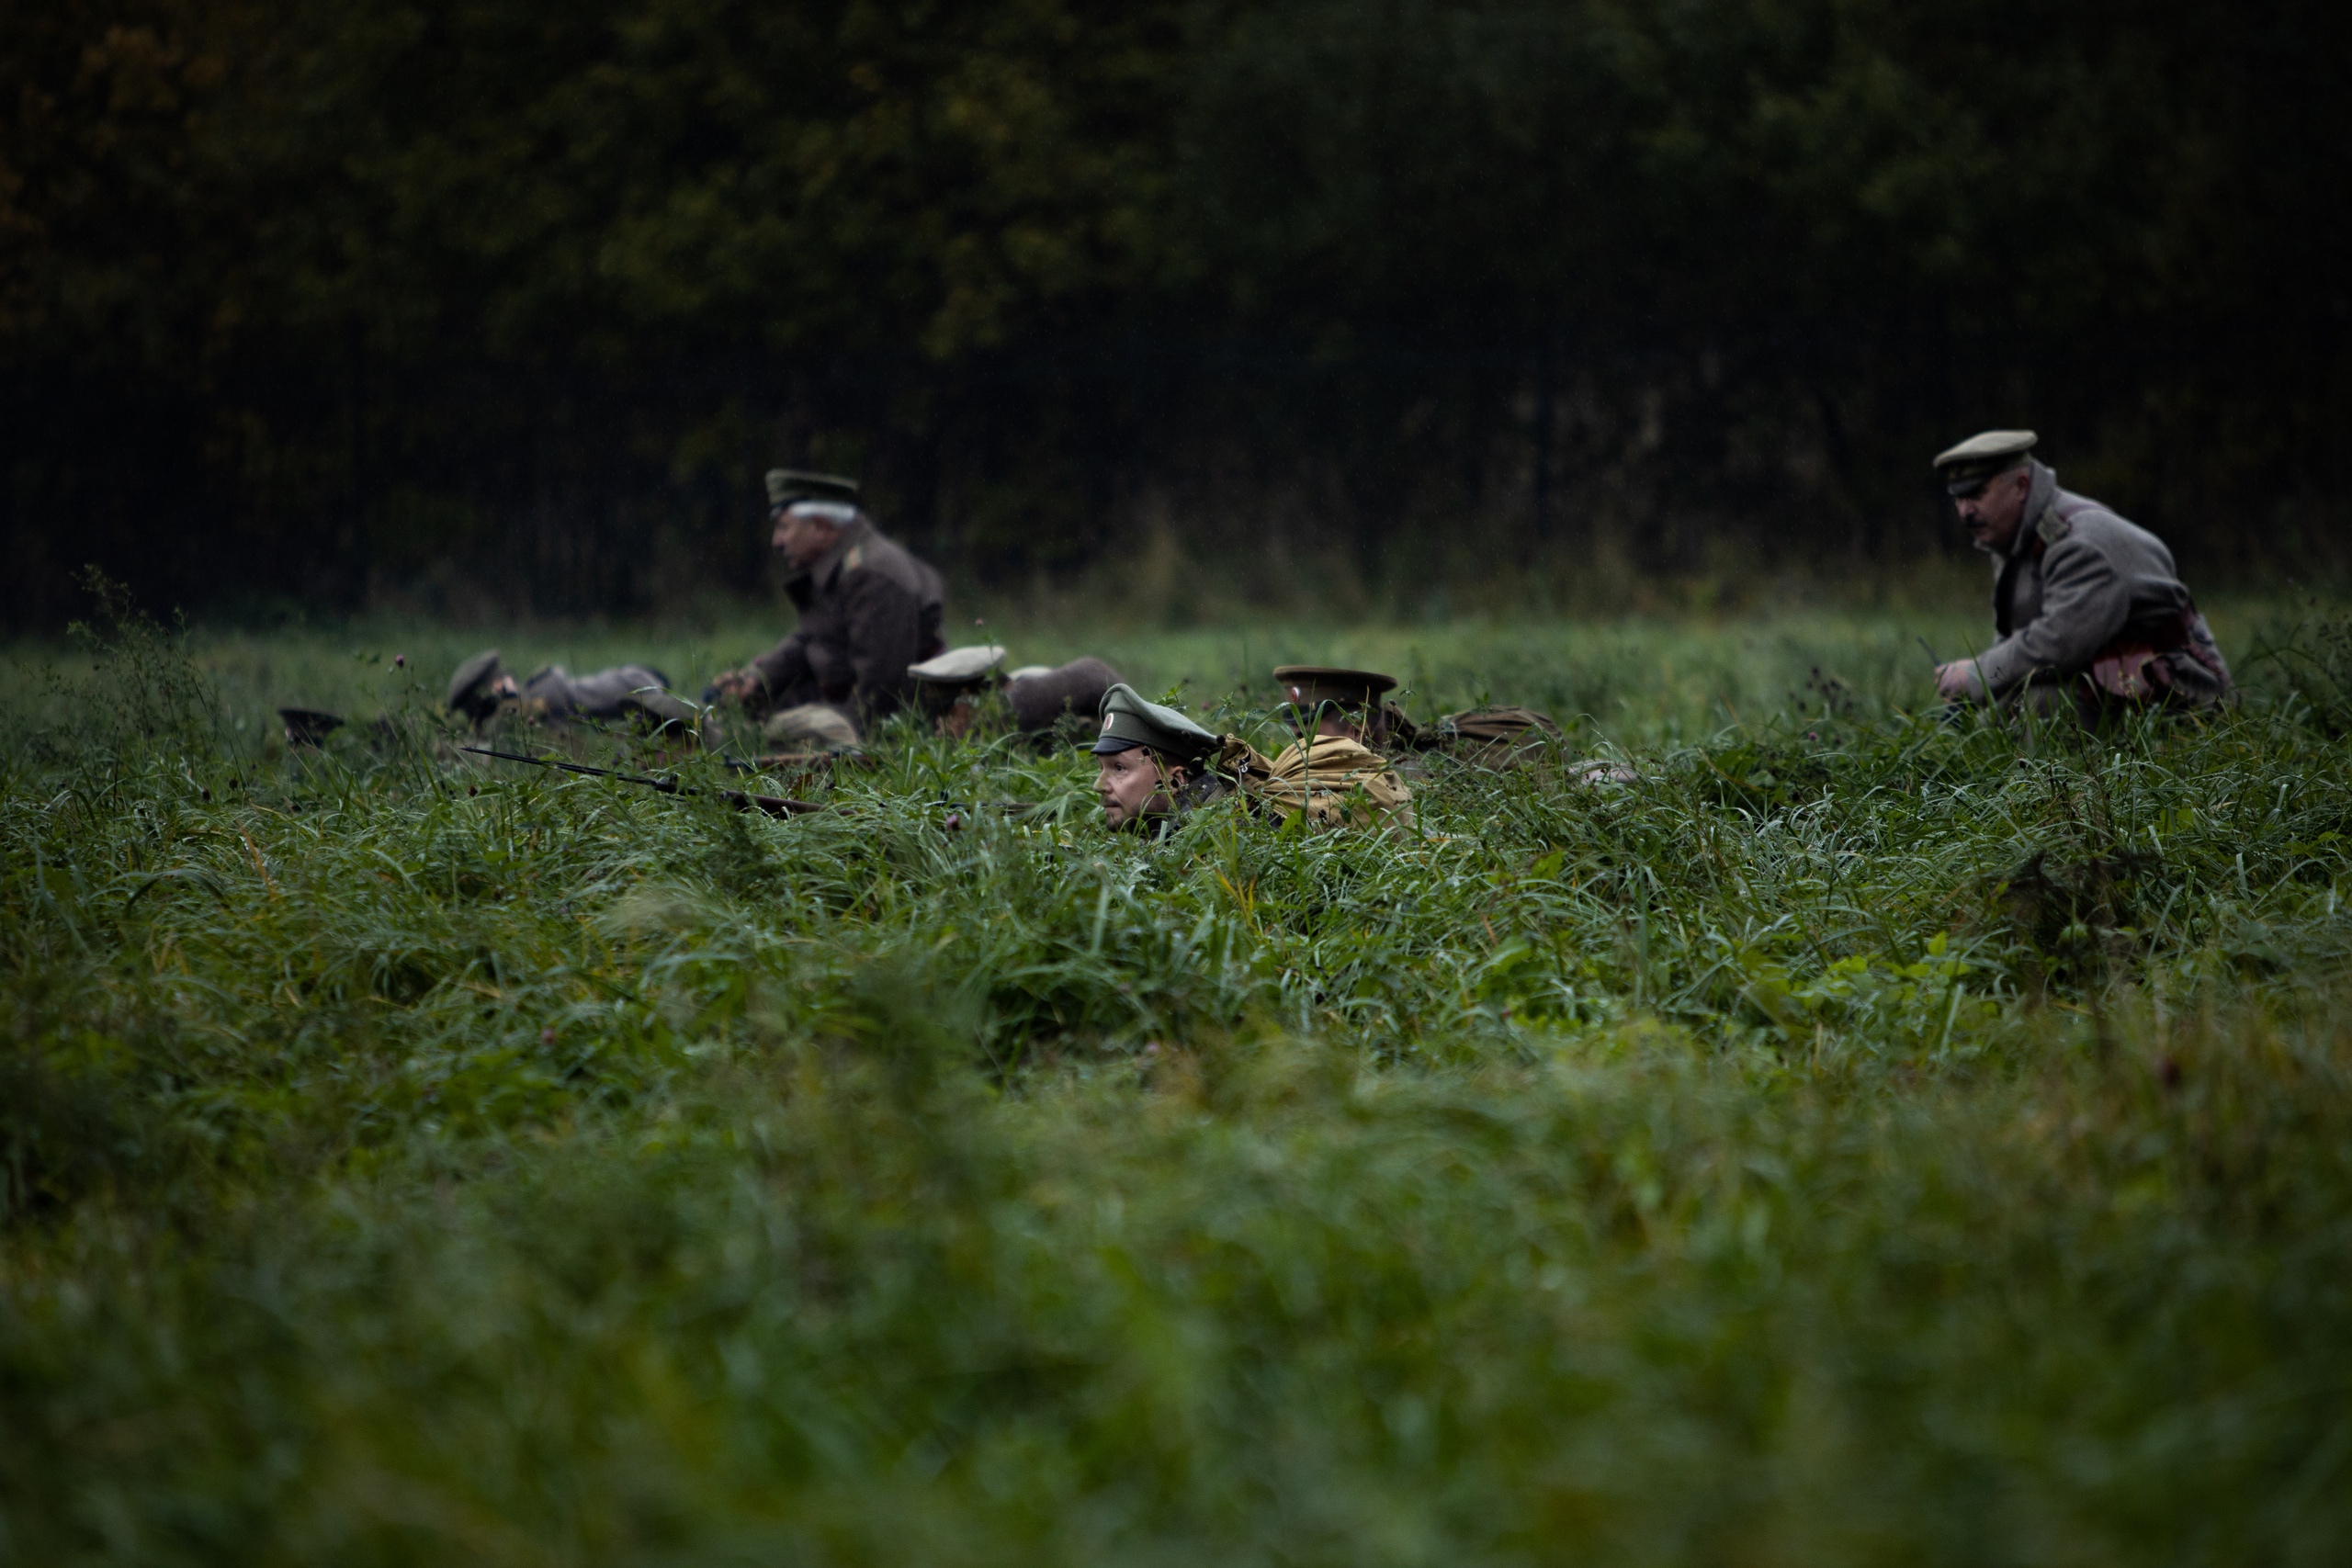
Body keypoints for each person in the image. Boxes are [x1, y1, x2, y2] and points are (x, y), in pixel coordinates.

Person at [1930, 431, 2232, 721]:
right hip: (2118, 682)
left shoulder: (2078, 545)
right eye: (1958, 498)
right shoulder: (2017, 538)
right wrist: (1980, 695)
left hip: (2185, 698)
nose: (1965, 511)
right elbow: (2017, 644)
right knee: (1996, 719)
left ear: (2021, 487)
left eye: (1976, 494)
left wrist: (1977, 675)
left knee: (2045, 701)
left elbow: (2058, 646)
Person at [707, 469, 946, 745]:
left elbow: (881, 689)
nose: (777, 540)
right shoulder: (842, 566)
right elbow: (814, 639)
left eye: (784, 527)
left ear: (820, 527)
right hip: (846, 708)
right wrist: (756, 680)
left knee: (755, 739)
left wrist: (837, 751)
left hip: (888, 727)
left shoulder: (871, 575)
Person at [447, 649, 707, 740]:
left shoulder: (540, 694)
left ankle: (713, 706)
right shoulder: (529, 701)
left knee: (695, 718)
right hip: (633, 688)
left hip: (635, 686)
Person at [910, 647, 1126, 742]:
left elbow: (1091, 673)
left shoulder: (1021, 704)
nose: (941, 722)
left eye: (946, 712)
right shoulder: (1001, 710)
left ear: (965, 699)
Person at [1091, 682, 1228, 830]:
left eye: (1119, 768)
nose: (1098, 786)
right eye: (1101, 767)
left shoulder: (1221, 832)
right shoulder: (1181, 834)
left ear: (1176, 781)